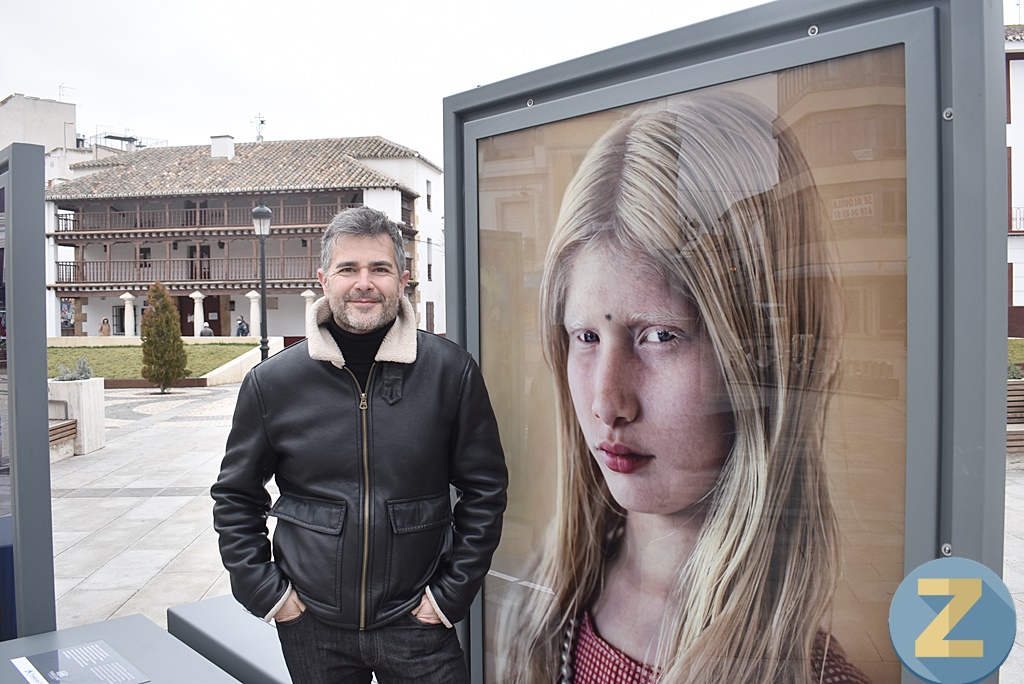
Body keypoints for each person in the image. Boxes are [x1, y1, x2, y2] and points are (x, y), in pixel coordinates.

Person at [499, 94, 870, 683]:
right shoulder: (542, 607)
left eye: (662, 336)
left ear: (760, 356)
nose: (606, 403)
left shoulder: (807, 676)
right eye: (586, 336)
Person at [212, 206, 508, 684]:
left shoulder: (450, 372)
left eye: (380, 269)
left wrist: (448, 596)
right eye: (348, 269)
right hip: (311, 624)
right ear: (324, 278)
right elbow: (235, 495)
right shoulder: (273, 383)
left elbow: (485, 490)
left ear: (404, 279)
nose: (364, 282)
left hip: (418, 620)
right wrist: (268, 594)